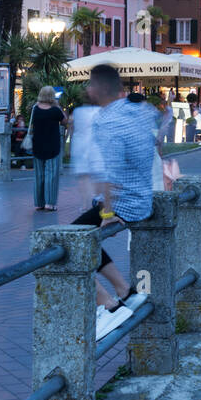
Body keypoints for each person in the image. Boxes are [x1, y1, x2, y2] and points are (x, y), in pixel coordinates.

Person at [81, 64, 154, 319]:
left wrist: (108, 214)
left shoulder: (107, 121)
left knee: (60, 245)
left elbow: (109, 173)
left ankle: (108, 305)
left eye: (89, 84)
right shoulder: (134, 110)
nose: (87, 89)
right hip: (144, 198)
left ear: (100, 88)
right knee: (81, 235)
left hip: (126, 203)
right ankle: (124, 290)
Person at [29, 86, 66, 211]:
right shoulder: (55, 110)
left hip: (37, 144)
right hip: (52, 145)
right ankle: (50, 203)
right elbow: (65, 121)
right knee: (51, 174)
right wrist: (59, 106)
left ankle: (39, 203)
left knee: (39, 175)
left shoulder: (35, 109)